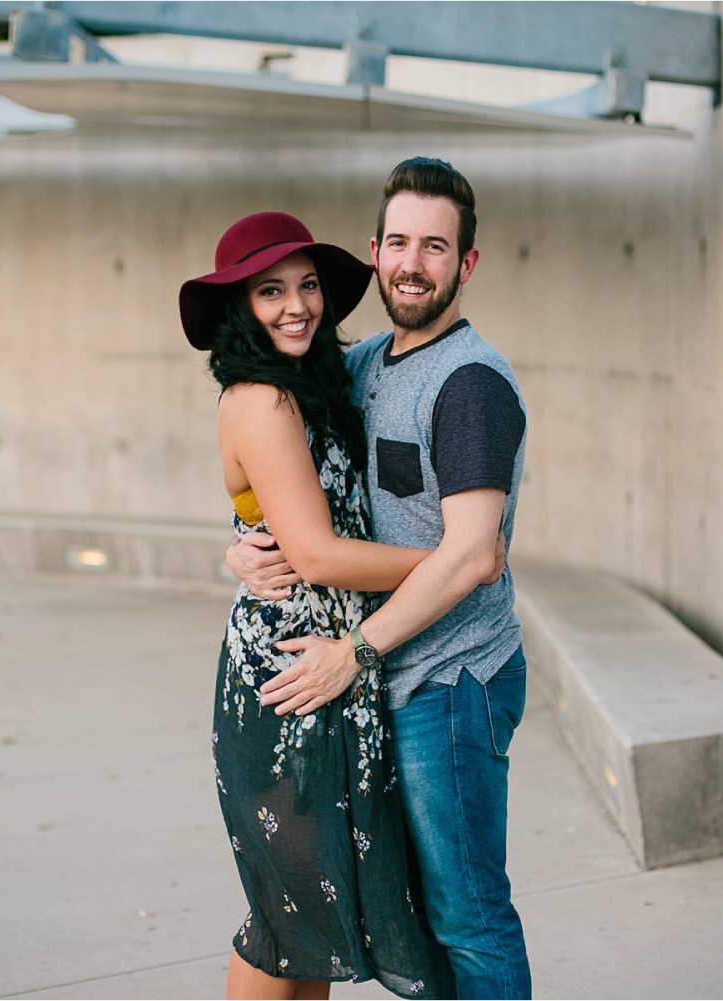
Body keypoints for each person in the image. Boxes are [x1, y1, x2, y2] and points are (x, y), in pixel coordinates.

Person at [228, 158, 532, 1000]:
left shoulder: (470, 384)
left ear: (465, 264)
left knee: (469, 917)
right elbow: (288, 474)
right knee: (416, 923)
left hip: (449, 681)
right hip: (384, 686)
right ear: (373, 250)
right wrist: (243, 541)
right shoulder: (363, 363)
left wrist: (352, 651)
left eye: (435, 246)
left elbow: (474, 554)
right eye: (398, 241)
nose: (412, 262)